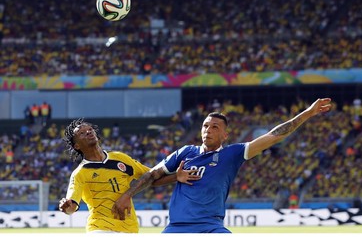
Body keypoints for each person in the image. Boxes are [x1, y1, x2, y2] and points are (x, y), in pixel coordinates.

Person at [111, 98, 332, 233]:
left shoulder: (233, 153)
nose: (208, 129)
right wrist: (127, 195)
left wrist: (308, 113)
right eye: (206, 125)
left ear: (225, 134)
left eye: (215, 127)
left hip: (211, 228)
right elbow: (151, 176)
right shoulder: (184, 153)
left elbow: (274, 136)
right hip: (177, 228)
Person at [58, 118, 198, 233]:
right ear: (77, 146)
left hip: (129, 229)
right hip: (100, 229)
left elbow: (150, 178)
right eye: (82, 133)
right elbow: (71, 207)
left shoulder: (120, 158)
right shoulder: (80, 174)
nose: (88, 132)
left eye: (90, 129)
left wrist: (176, 177)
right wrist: (66, 207)